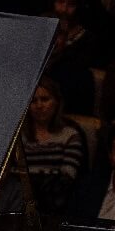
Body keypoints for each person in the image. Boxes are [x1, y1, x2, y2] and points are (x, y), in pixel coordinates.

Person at [22, 76, 85, 214]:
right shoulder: (20, 136)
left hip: (55, 204)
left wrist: (31, 178)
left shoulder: (70, 135)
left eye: (45, 99)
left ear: (56, 102)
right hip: (19, 202)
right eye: (33, 101)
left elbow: (67, 177)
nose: (39, 105)